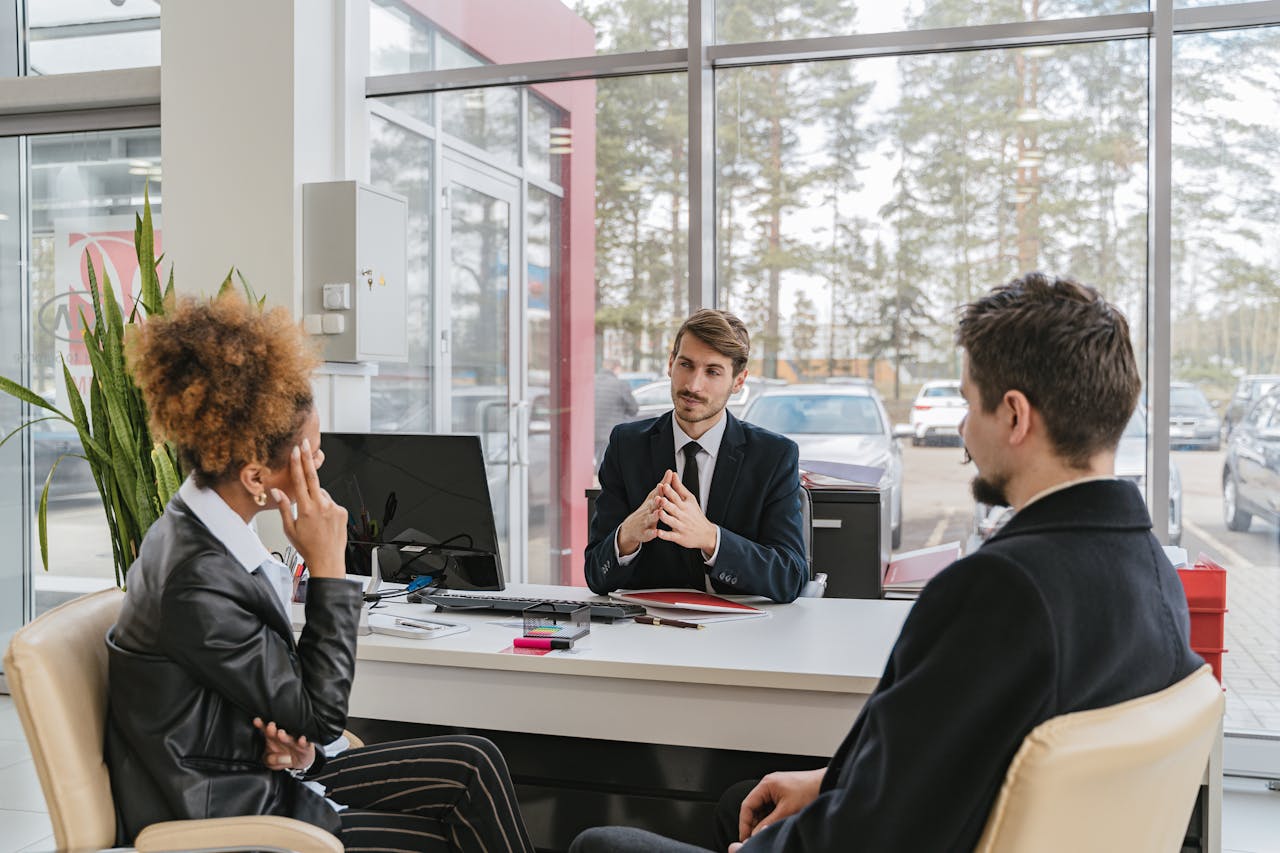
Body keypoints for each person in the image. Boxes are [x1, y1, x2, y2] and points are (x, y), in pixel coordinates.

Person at [571, 273, 1204, 852]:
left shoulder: (994, 590)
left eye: (968, 402)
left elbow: (873, 828)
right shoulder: (1152, 574)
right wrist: (831, 781)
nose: (960, 430)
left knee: (599, 845)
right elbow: (949, 762)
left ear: (1012, 415)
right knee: (743, 799)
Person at [105, 294, 534, 853]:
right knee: (447, 837)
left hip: (258, 770)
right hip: (226, 808)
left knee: (474, 760)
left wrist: (299, 741)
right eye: (310, 452)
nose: (323, 460)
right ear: (257, 476)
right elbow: (320, 716)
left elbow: (287, 708)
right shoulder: (197, 576)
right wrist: (331, 566)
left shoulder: (200, 528)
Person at [584, 309, 807, 604]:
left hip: (743, 635)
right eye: (686, 365)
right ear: (670, 364)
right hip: (646, 634)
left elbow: (790, 576)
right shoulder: (627, 446)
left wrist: (711, 539)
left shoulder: (773, 456)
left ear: (738, 381)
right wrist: (627, 535)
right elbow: (595, 576)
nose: (693, 385)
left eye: (713, 371)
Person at [595, 358, 639, 465]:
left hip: (590, 432)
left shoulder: (592, 382)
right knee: (604, 468)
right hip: (609, 434)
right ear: (617, 368)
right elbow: (633, 409)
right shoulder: (620, 385)